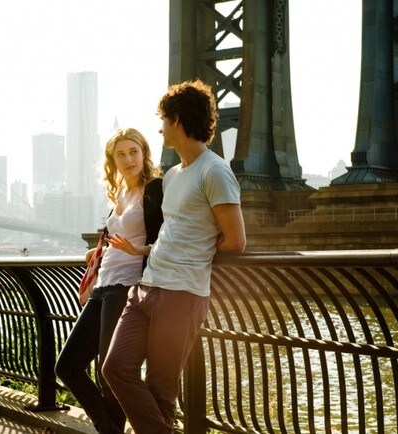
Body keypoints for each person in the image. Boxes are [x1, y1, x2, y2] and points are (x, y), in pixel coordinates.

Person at [102, 79, 246, 433]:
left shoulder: (215, 171)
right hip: (145, 288)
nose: (160, 128)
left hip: (181, 293)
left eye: (163, 120)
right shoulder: (172, 176)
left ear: (177, 121)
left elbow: (236, 242)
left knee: (161, 392)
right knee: (115, 368)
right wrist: (144, 251)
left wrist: (196, 253)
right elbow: (173, 233)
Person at [55, 127, 163, 434]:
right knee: (67, 366)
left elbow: (167, 238)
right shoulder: (119, 194)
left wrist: (139, 249)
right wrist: (98, 249)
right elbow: (116, 236)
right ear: (112, 161)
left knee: (108, 374)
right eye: (120, 154)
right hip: (103, 285)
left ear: (144, 153)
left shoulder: (154, 189)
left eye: (133, 152)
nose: (128, 159)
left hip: (126, 287)